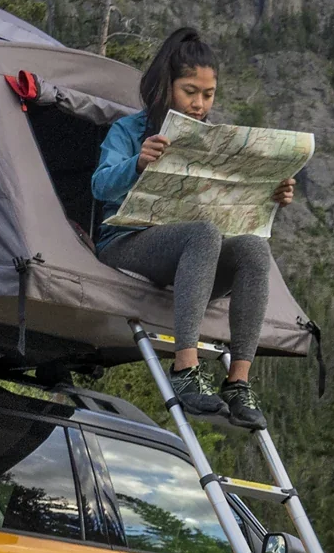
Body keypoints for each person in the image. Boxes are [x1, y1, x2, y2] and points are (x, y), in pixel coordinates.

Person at [92, 27, 295, 431]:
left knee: (254, 249)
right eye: (190, 91)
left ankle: (238, 382)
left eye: (209, 94)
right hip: (127, 243)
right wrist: (136, 164)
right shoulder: (130, 131)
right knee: (203, 233)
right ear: (165, 87)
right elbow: (99, 185)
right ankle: (186, 370)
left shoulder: (214, 140)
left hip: (189, 253)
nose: (200, 104)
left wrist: (271, 194)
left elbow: (232, 208)